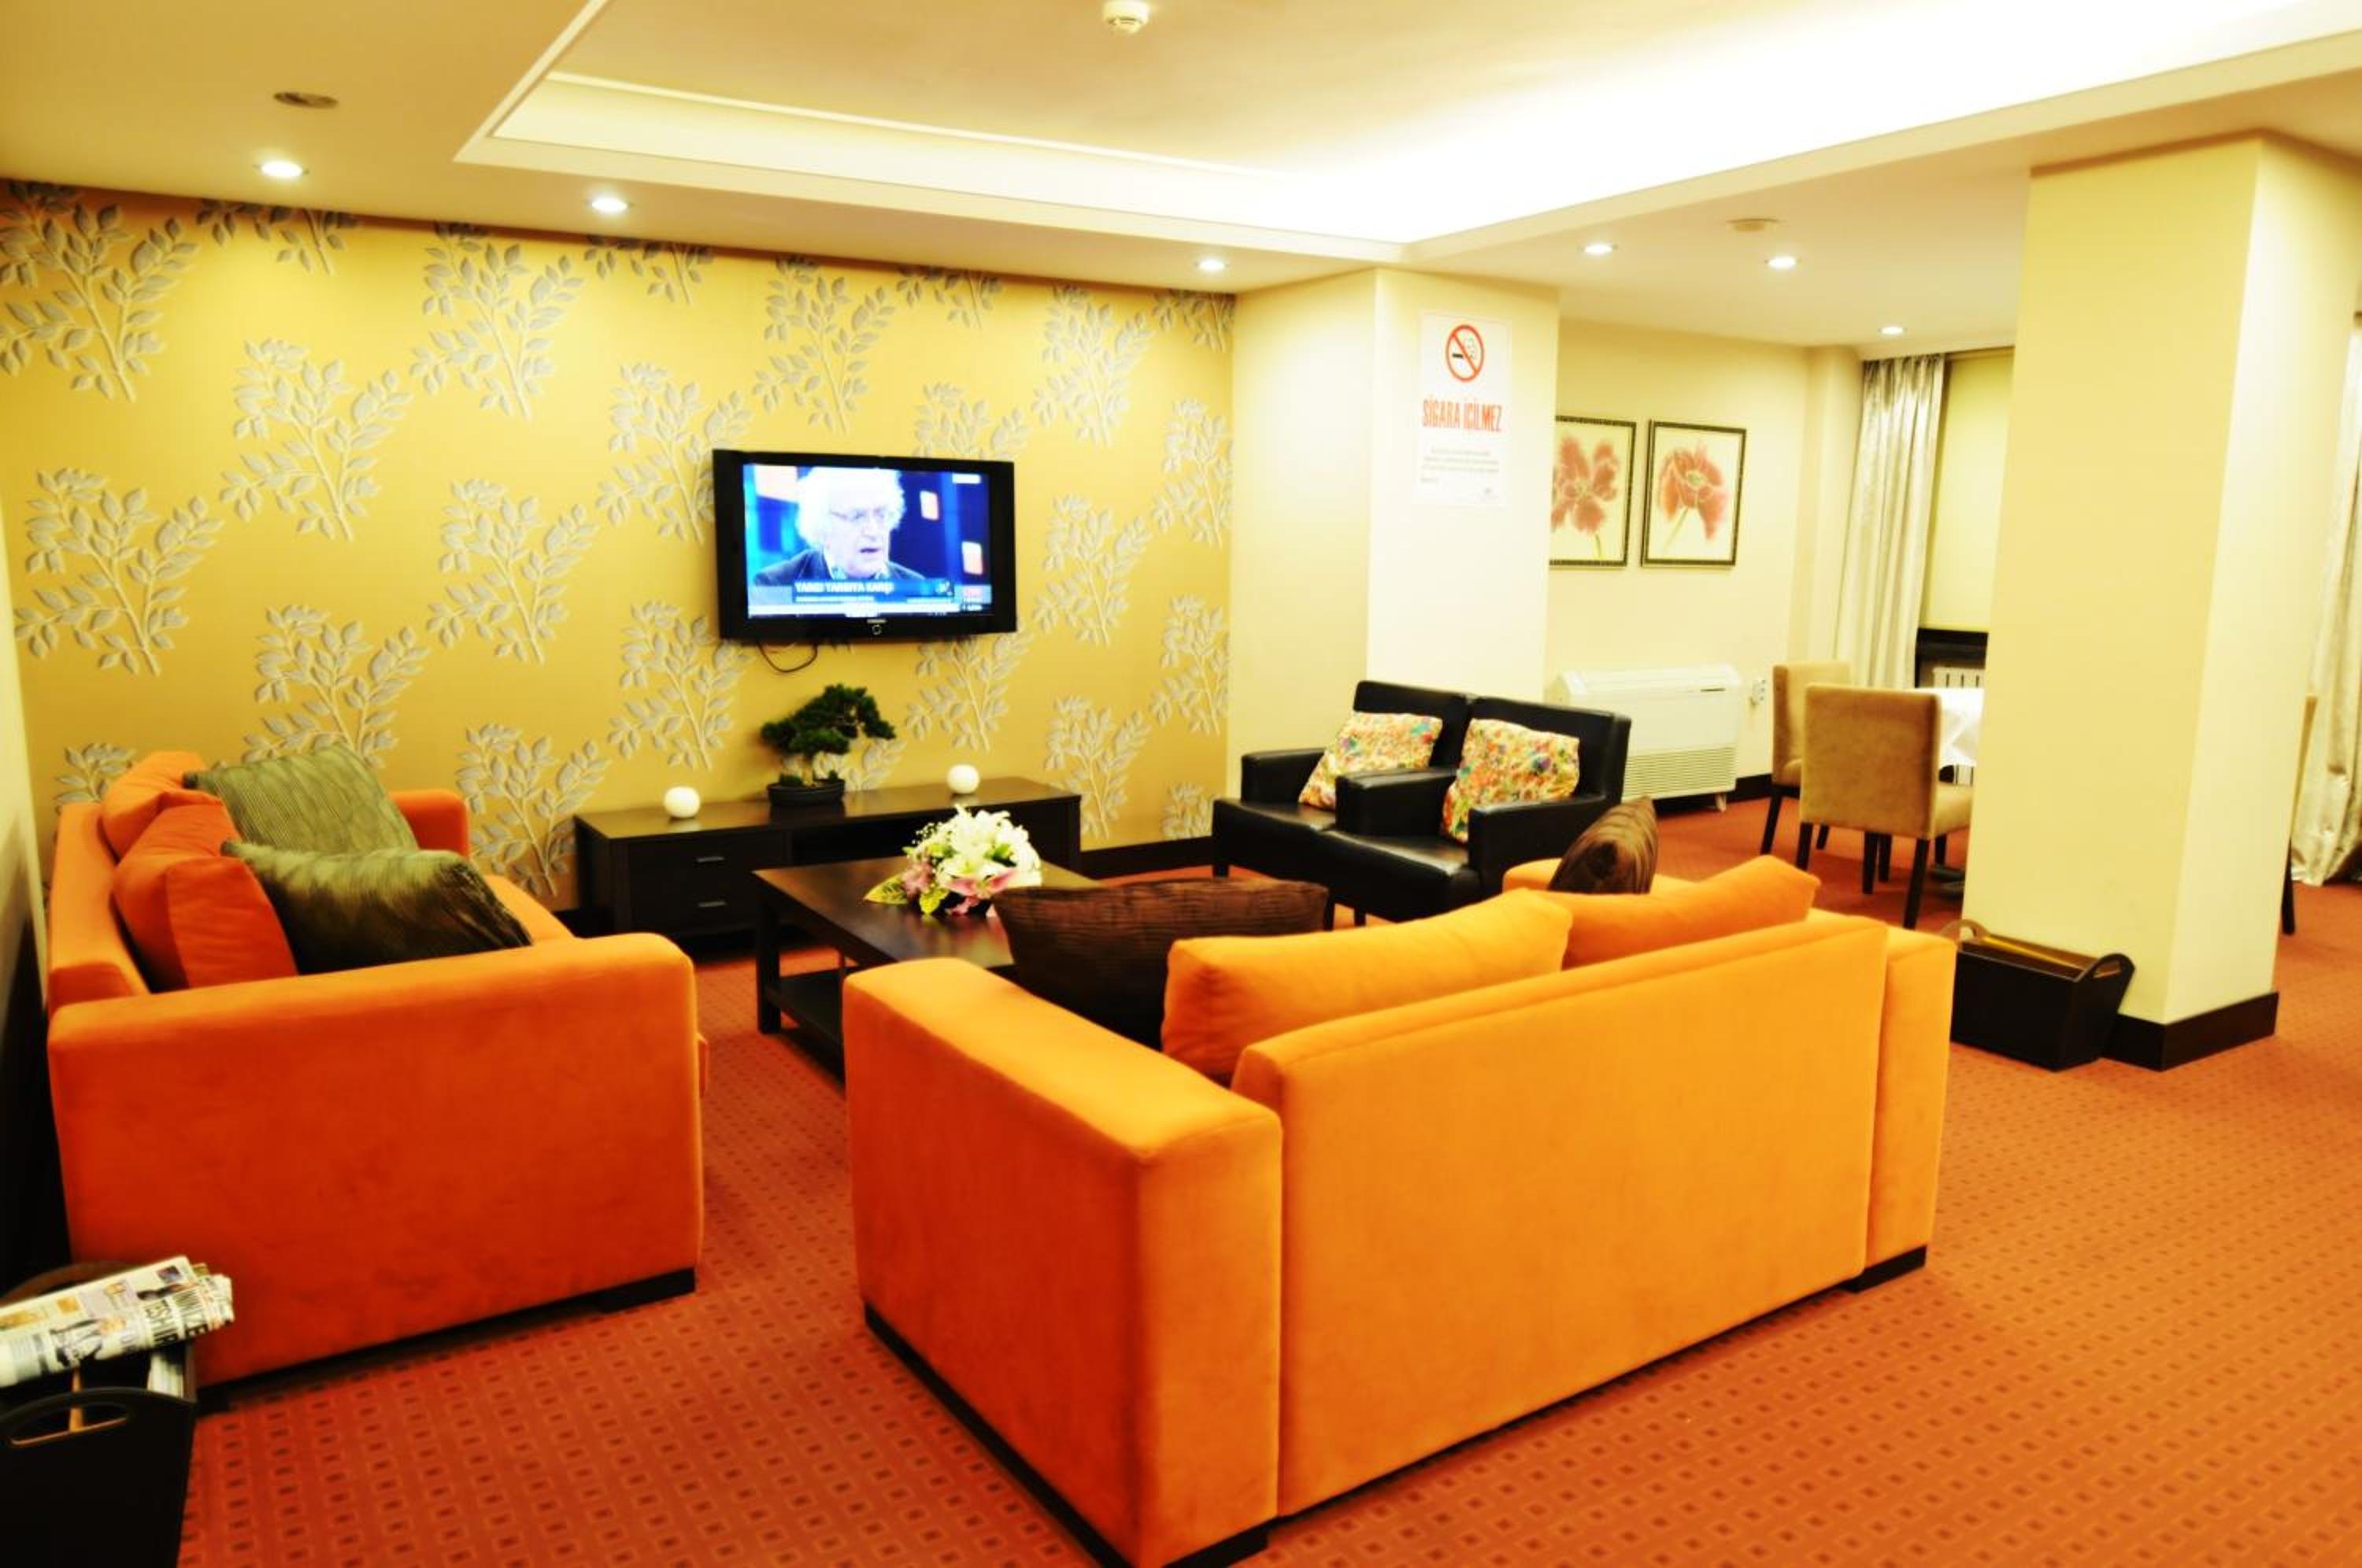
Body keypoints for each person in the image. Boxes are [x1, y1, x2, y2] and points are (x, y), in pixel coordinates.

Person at [753, 467, 925, 585]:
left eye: (881, 515)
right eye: (857, 517)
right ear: (823, 527)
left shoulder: (915, 584)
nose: (873, 531)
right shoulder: (775, 584)